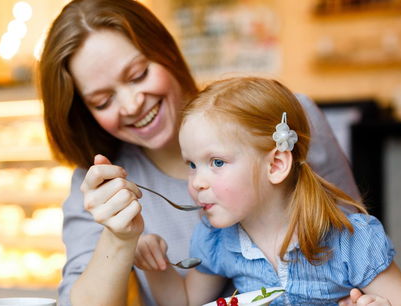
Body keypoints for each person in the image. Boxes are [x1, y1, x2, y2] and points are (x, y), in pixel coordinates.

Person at [38, 0, 361, 304]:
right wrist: (119, 238)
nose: (132, 104)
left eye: (138, 76)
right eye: (103, 102)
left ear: (166, 53)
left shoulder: (284, 122)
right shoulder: (102, 186)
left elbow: (356, 242)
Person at [133, 77, 401, 306]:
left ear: (275, 164)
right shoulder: (218, 240)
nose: (197, 181)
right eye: (192, 165)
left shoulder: (348, 239)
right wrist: (154, 266)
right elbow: (185, 301)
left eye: (217, 162)